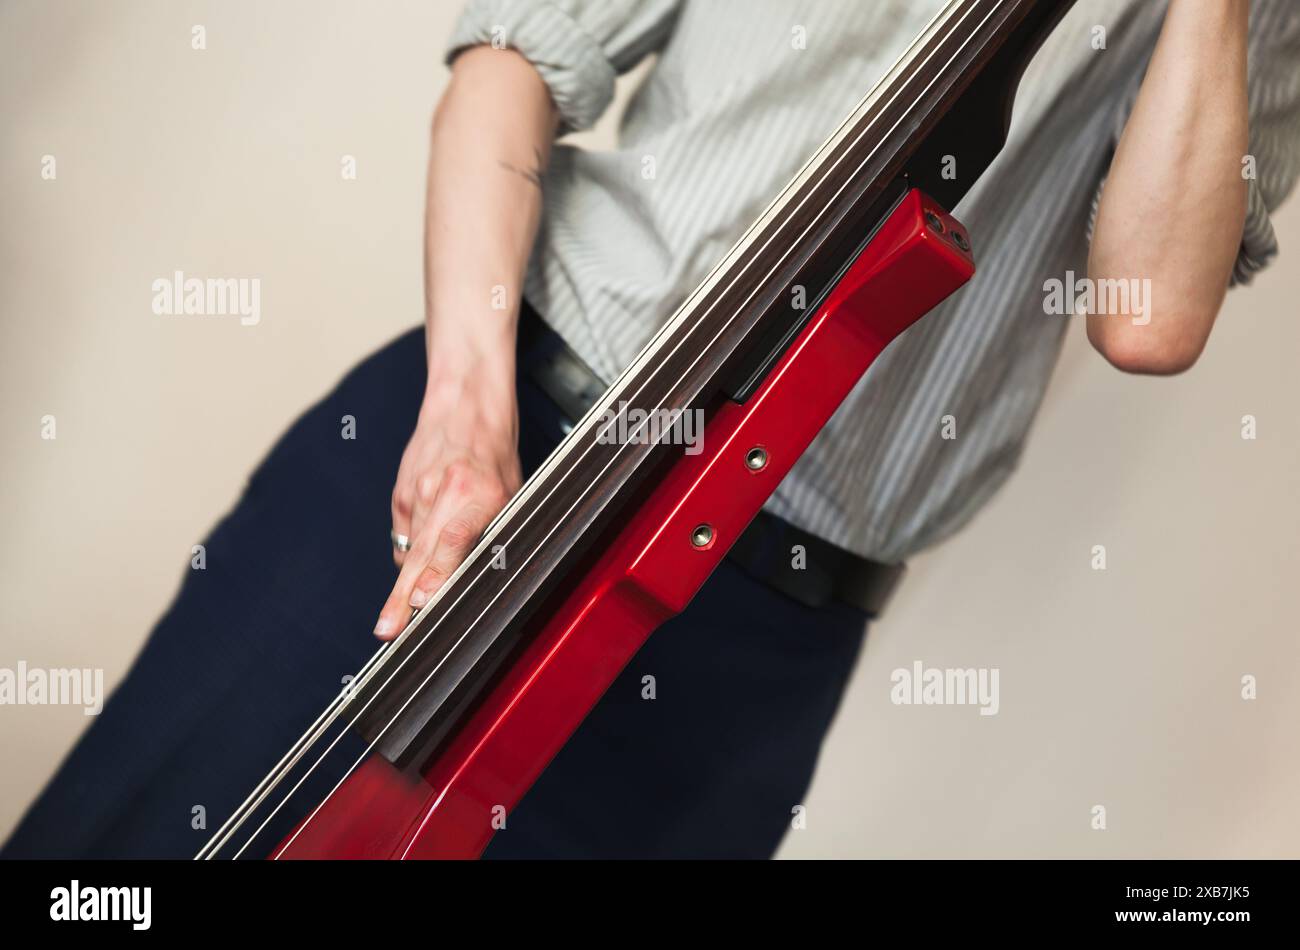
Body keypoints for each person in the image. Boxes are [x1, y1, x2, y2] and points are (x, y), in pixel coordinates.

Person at [5, 0, 1299, 859]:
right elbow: (514, 56)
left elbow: (1146, 312)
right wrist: (465, 411)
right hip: (492, 473)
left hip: (748, 655)